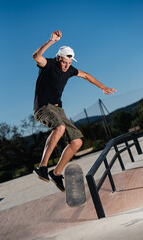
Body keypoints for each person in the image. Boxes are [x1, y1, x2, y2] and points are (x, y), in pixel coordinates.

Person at [32, 30, 116, 192]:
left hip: (58, 110)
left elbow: (85, 75)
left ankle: (56, 173)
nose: (67, 66)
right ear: (58, 58)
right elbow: (36, 56)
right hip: (42, 108)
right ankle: (42, 167)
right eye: (64, 63)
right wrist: (51, 41)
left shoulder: (70, 70)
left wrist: (102, 87)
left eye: (69, 64)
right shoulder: (48, 64)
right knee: (60, 128)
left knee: (77, 142)